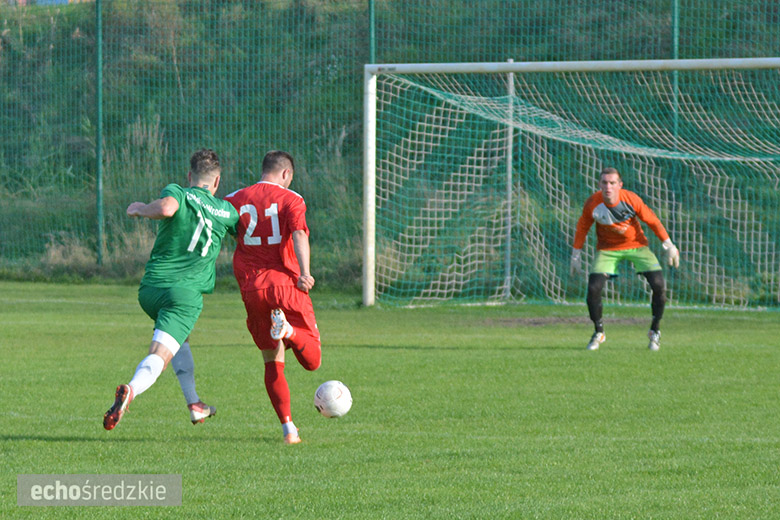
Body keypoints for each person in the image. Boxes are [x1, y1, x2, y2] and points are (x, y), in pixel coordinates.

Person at [103, 149, 239, 430]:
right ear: (217, 182)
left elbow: (166, 208)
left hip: (151, 289)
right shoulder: (227, 211)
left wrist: (139, 208)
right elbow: (247, 233)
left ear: (190, 176)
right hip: (184, 296)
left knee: (181, 340)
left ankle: (195, 405)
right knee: (159, 354)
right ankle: (131, 389)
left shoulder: (179, 191)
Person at [224, 150, 321, 445]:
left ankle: (288, 430)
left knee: (272, 361)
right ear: (287, 175)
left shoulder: (234, 199)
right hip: (286, 285)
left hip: (253, 289)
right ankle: (289, 330)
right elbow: (299, 234)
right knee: (313, 360)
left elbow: (226, 230)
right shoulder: (292, 199)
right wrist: (305, 271)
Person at [570, 167, 680, 351]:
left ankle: (655, 331)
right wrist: (576, 254)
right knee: (593, 288)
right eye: (604, 182)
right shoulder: (593, 203)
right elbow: (582, 227)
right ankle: (599, 332)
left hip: (637, 246)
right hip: (608, 250)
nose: (608, 187)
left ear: (620, 185)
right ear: (599, 184)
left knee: (659, 285)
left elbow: (652, 220)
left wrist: (669, 245)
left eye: (612, 183)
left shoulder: (631, 199)